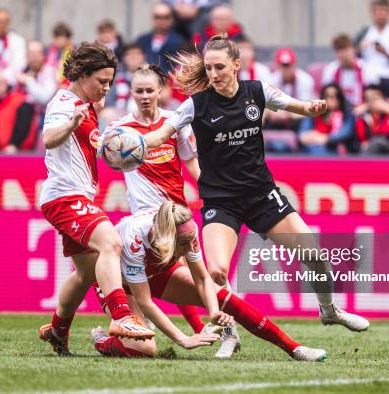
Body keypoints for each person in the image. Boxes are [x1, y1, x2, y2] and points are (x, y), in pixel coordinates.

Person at [142, 34, 370, 357]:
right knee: (217, 271)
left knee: (314, 256)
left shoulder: (256, 92)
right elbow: (163, 133)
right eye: (208, 68)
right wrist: (138, 144)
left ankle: (329, 309)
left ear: (237, 65)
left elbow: (295, 105)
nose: (213, 74)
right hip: (221, 201)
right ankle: (230, 335)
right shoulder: (197, 104)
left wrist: (313, 108)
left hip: (263, 195)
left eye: (219, 67)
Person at [90, 202, 328, 362]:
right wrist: (183, 339)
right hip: (119, 282)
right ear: (167, 237)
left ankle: (294, 348)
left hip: (155, 269)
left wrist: (214, 311)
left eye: (190, 241)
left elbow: (202, 278)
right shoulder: (135, 238)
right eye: (183, 243)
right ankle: (103, 340)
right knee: (144, 349)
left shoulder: (186, 232)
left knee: (224, 298)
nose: (189, 247)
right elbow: (146, 302)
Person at [37, 42, 155, 356]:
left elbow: (92, 113)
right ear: (82, 74)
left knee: (86, 274)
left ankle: (57, 330)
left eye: (108, 81)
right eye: (101, 81)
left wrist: (94, 110)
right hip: (65, 196)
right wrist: (71, 124)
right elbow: (48, 139)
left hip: (75, 195)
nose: (105, 87)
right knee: (111, 244)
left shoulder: (88, 104)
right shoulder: (64, 103)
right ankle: (121, 318)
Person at [104, 64, 205, 336]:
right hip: (145, 217)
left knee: (195, 273)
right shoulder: (119, 130)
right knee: (172, 272)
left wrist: (209, 192)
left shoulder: (174, 122)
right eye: (139, 91)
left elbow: (191, 163)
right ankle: (190, 327)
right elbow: (103, 156)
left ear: (161, 91)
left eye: (150, 90)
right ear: (131, 93)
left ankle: (208, 327)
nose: (145, 95)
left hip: (177, 212)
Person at [354, 0, 389, 97]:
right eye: (377, 10)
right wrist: (359, 49)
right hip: (366, 75)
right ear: (372, 13)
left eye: (383, 10)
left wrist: (386, 54)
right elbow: (352, 56)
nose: (380, 14)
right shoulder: (364, 34)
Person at [264, 48, 314, 132]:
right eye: (283, 66)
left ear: (294, 64)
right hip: (277, 118)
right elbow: (267, 105)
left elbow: (306, 107)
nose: (286, 69)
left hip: (297, 118)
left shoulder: (306, 80)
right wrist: (272, 113)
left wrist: (288, 115)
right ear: (278, 66)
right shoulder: (271, 80)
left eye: (289, 65)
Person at [298, 83, 357, 155]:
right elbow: (303, 135)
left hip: (336, 149)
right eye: (327, 96)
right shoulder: (314, 112)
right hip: (313, 147)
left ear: (340, 99)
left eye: (334, 96)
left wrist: (325, 138)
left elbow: (344, 134)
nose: (330, 99)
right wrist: (317, 138)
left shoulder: (347, 114)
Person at [355, 84, 389, 154]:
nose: (372, 102)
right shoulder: (364, 115)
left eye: (375, 98)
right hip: (372, 149)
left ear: (383, 97)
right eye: (368, 99)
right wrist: (355, 115)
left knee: (377, 142)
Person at [136, 2, 186, 73]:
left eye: (166, 17)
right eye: (157, 17)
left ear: (172, 19)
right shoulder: (141, 40)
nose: (161, 21)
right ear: (152, 18)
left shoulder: (180, 42)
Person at [322, 34, 365, 107]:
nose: (343, 54)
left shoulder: (365, 68)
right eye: (338, 51)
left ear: (353, 49)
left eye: (346, 49)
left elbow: (373, 94)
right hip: (338, 109)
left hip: (361, 108)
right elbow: (325, 94)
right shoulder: (330, 69)